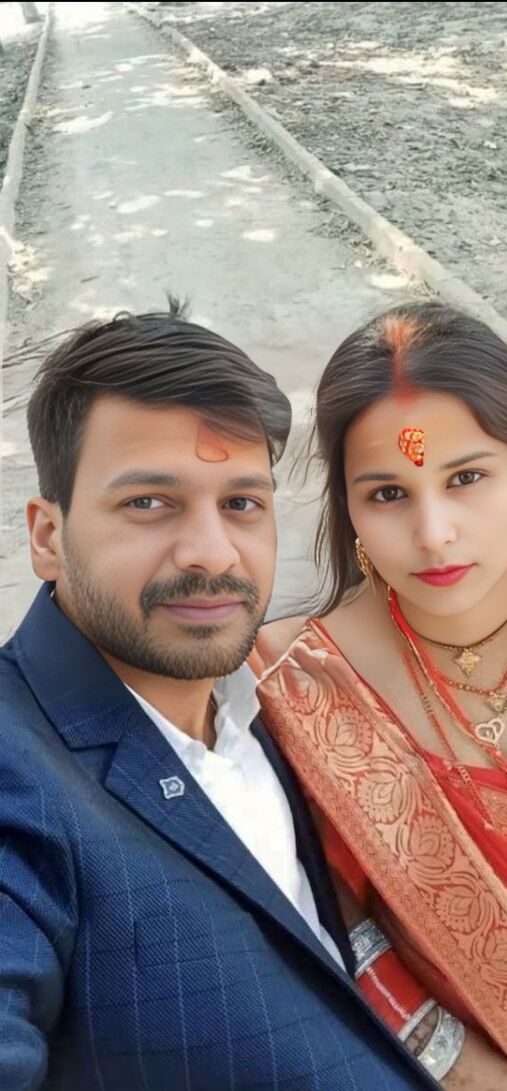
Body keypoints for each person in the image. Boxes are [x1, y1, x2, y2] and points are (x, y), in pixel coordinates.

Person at [0, 303, 441, 1090]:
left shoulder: (269, 711)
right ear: (47, 537)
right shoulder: (17, 766)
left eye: (241, 503)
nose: (212, 552)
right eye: (149, 502)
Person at [257, 301, 507, 1091]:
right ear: (348, 507)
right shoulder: (303, 689)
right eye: (387, 493)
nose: (433, 533)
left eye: (465, 478)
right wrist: (462, 1069)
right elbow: (330, 927)